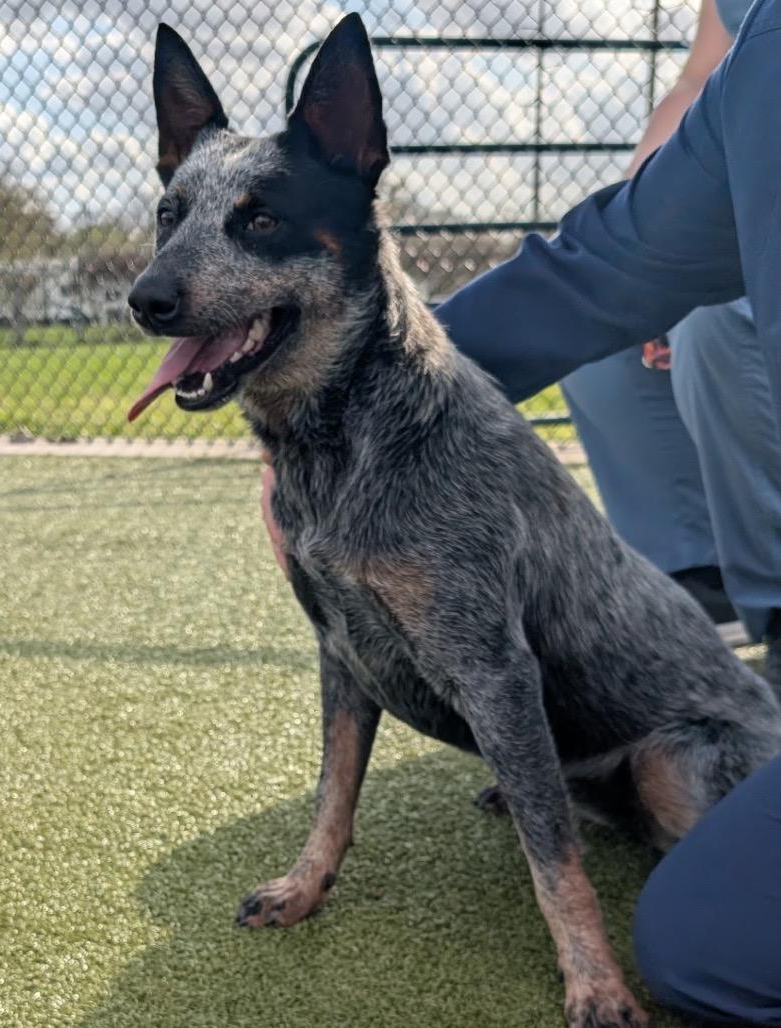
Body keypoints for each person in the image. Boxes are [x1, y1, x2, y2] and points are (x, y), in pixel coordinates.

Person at [256, 0, 781, 1019]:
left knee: (702, 947)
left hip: (681, 722)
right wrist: (353, 401)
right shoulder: (761, 49)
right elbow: (600, 268)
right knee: (702, 943)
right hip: (613, 725)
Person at [560, 0, 781, 659]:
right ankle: (698, 572)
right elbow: (696, 81)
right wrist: (642, 251)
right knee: (593, 330)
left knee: (713, 322)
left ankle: (775, 599)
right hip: (739, 203)